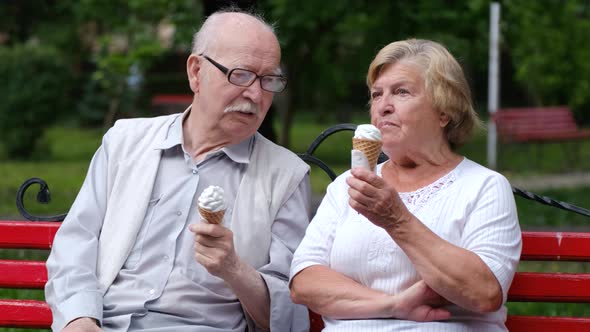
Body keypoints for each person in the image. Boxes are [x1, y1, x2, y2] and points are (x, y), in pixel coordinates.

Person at [45, 9, 312, 332]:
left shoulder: (286, 176)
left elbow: (291, 311)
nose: (255, 94)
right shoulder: (124, 143)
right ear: (196, 72)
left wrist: (234, 269)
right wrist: (79, 319)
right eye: (241, 75)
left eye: (269, 79)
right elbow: (76, 243)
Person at [289, 38, 522, 331]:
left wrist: (396, 219)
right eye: (376, 95)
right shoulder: (349, 186)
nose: (383, 107)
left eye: (401, 92)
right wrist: (395, 306)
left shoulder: (484, 187)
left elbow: (483, 293)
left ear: (444, 110)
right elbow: (304, 283)